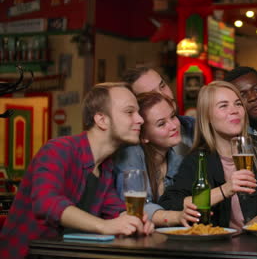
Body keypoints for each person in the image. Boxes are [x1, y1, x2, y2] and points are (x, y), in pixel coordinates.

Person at [0, 83, 154, 259]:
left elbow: (114, 208)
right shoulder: (58, 149)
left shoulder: (105, 166)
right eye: (129, 112)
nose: (140, 119)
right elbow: (46, 202)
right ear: (101, 120)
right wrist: (104, 226)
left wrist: (134, 220)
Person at [159, 81, 257, 230]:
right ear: (207, 116)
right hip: (219, 248)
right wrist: (225, 190)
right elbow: (170, 203)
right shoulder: (198, 159)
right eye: (223, 106)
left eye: (238, 104)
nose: (234, 110)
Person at [113, 67, 195, 212]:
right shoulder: (131, 151)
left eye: (162, 86)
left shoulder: (188, 126)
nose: (164, 96)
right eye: (151, 95)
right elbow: (136, 209)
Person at [121, 91, 194, 227]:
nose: (173, 126)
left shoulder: (179, 161)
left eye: (173, 116)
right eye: (161, 124)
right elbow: (136, 208)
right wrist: (175, 216)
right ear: (143, 136)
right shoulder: (131, 154)